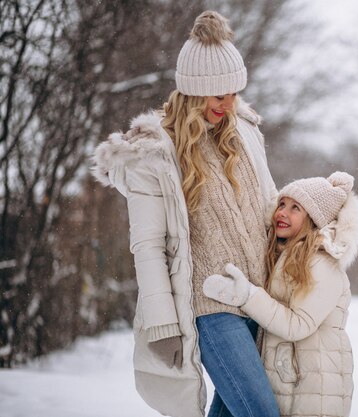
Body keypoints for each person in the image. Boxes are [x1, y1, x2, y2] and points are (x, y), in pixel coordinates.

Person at [91, 10, 280, 417]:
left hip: (257, 298)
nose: (228, 104)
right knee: (261, 411)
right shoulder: (154, 152)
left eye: (233, 92)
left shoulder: (244, 131)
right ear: (193, 91)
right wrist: (162, 323)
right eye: (218, 94)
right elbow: (148, 244)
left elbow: (269, 204)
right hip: (210, 309)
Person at [203, 172, 358, 417]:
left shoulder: (322, 263)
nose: (282, 212)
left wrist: (248, 296)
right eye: (282, 204)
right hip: (293, 381)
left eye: (295, 208)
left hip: (314, 388)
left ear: (313, 219)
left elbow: (298, 325)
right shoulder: (288, 256)